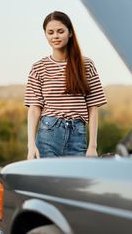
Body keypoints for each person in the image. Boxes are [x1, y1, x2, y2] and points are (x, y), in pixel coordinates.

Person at [24, 11, 107, 159]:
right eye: (50, 32)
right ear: (46, 35)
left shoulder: (86, 65)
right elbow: (34, 108)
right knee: (48, 181)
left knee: (76, 181)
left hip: (78, 135)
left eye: (60, 31)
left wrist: (92, 146)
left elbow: (93, 107)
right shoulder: (39, 67)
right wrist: (31, 145)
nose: (55, 36)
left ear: (70, 33)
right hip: (48, 135)